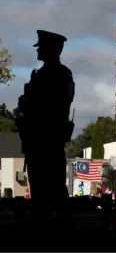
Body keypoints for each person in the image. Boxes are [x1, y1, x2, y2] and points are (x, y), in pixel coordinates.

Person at [16, 30, 75, 229]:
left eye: (41, 47)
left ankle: (51, 228)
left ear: (52, 49)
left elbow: (43, 105)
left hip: (46, 139)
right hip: (40, 139)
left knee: (48, 188)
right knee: (45, 189)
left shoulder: (55, 74)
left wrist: (27, 99)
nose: (38, 50)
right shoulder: (52, 74)